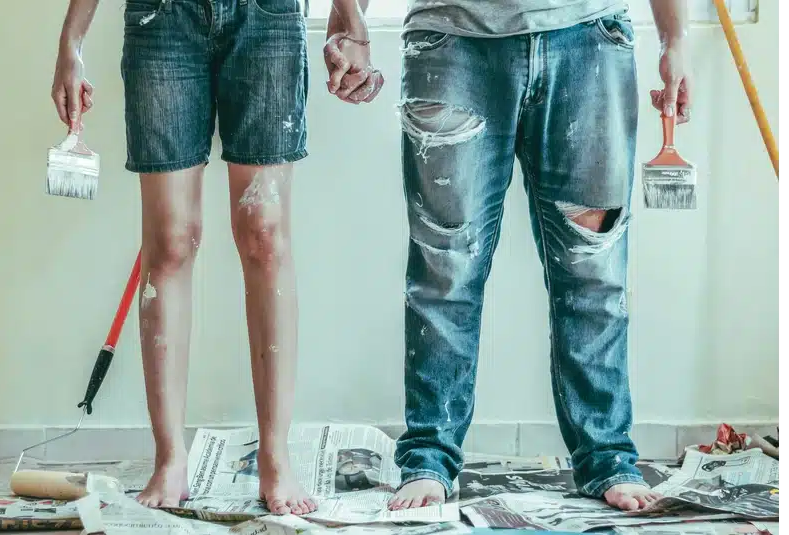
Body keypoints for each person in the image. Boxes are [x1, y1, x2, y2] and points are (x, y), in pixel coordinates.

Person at [324, 0, 692, 512]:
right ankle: (429, 456)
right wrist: (349, 16)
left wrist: (674, 39)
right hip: (451, 41)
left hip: (587, 36)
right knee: (445, 271)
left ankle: (607, 456)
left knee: (594, 270)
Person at [51, 0, 321, 515]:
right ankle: (170, 458)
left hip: (266, 20)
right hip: (163, 21)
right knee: (171, 241)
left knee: (264, 235)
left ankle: (275, 455)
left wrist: (349, 15)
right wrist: (72, 41)